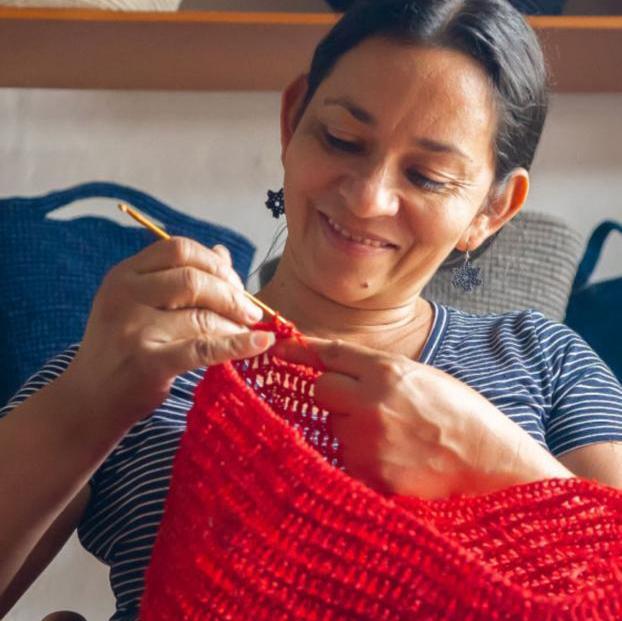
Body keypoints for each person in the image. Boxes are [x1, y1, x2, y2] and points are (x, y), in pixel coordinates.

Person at [1, 0, 622, 618]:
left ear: (493, 209)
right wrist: (85, 400)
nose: (367, 196)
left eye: (427, 176)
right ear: (292, 118)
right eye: (342, 139)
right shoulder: (137, 355)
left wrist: (498, 465)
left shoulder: (545, 362)